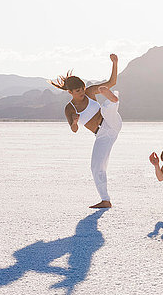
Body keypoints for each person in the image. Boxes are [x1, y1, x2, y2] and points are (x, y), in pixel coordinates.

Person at [49, 54, 122, 208]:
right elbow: (74, 129)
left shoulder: (89, 92)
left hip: (111, 122)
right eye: (78, 91)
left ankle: (113, 99)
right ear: (70, 92)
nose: (82, 92)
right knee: (96, 166)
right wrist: (74, 122)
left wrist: (115, 63)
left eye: (82, 88)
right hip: (102, 136)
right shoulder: (70, 108)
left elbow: (112, 82)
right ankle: (105, 200)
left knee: (107, 108)